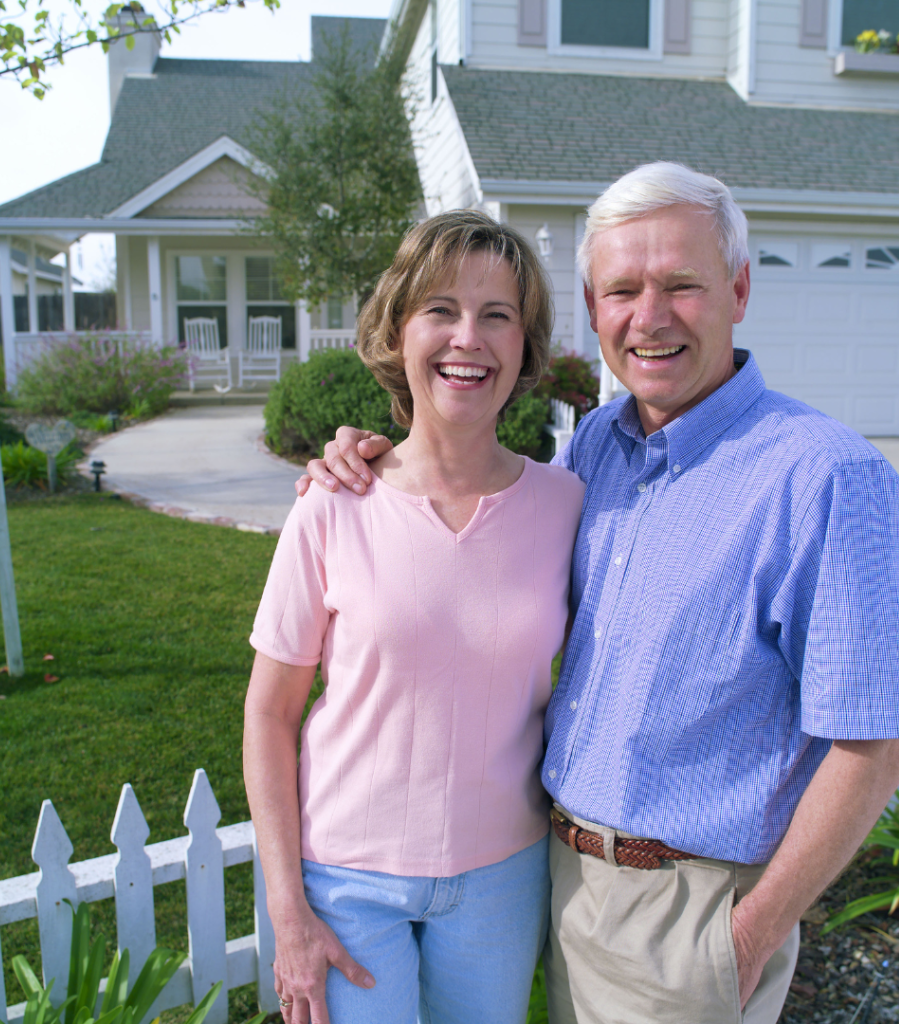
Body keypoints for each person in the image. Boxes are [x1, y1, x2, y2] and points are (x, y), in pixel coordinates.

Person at [297, 162, 899, 1024]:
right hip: (553, 880)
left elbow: (875, 740)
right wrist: (376, 456)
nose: (650, 318)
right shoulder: (598, 450)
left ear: (738, 288)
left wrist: (751, 934)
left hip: (689, 912)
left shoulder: (823, 477)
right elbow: (479, 527)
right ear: (593, 311)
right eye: (622, 289)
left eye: (683, 285)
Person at [244, 209, 585, 1024]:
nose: (469, 337)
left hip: (503, 877)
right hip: (345, 882)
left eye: (496, 315)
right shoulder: (333, 504)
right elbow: (268, 716)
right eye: (440, 309)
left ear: (523, 347)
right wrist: (288, 911)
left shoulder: (567, 505)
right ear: (398, 332)